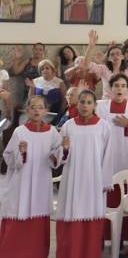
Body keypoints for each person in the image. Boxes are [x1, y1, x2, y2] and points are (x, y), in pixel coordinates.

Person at [0, 95, 62, 257]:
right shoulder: (20, 131)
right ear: (27, 111)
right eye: (33, 107)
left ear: (46, 111)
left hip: (41, 182)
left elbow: (57, 157)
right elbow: (9, 158)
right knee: (18, 209)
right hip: (21, 182)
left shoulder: (53, 132)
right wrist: (21, 154)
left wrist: (56, 154)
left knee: (38, 212)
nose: (36, 110)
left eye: (40, 107)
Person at [56, 89, 113, 258]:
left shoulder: (103, 126)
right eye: (82, 102)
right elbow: (61, 157)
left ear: (95, 105)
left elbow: (108, 156)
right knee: (71, 212)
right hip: (72, 178)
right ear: (77, 104)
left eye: (89, 102)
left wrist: (104, 182)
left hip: (94, 180)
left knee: (91, 215)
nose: (85, 106)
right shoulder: (68, 126)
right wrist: (64, 150)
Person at [96, 74, 128, 174]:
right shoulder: (100, 106)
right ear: (110, 88)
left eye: (123, 86)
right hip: (106, 153)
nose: (119, 89)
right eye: (116, 86)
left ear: (127, 89)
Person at [79, 30, 128, 100]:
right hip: (106, 104)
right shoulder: (103, 68)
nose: (115, 56)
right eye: (112, 54)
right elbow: (86, 65)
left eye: (118, 54)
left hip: (124, 104)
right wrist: (91, 46)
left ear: (123, 56)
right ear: (109, 58)